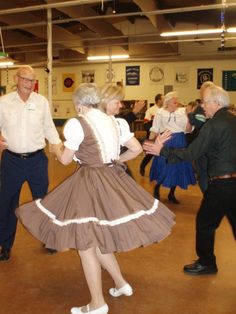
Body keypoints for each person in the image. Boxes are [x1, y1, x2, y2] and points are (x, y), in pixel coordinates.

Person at [16, 83, 175, 314]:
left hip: (90, 182)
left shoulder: (77, 124)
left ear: (80, 105)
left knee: (86, 244)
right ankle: (121, 284)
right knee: (97, 237)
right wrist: (115, 161)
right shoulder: (114, 121)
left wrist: (55, 148)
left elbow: (65, 160)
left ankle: (97, 304)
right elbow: (135, 149)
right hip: (112, 178)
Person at [143, 84, 236, 276]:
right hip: (232, 182)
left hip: (221, 184)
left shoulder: (214, 125)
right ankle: (206, 262)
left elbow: (192, 152)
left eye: (205, 102)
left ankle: (206, 263)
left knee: (205, 223)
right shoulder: (233, 120)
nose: (203, 106)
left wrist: (162, 150)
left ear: (216, 103)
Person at [0, 65, 61, 261]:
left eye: (32, 80)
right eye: (25, 79)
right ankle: (5, 245)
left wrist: (59, 149)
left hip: (36, 160)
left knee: (43, 202)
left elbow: (49, 128)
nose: (29, 83)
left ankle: (49, 239)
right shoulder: (3, 102)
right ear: (16, 79)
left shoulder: (41, 102)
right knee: (7, 203)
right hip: (11, 161)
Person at [148, 91, 196, 204]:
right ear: (168, 102)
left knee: (177, 168)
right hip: (165, 141)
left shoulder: (182, 112)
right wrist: (149, 144)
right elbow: (155, 129)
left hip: (180, 141)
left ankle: (171, 193)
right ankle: (157, 188)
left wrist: (189, 117)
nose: (177, 103)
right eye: (174, 101)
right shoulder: (160, 112)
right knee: (163, 166)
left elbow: (188, 130)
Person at [139, 93, 163, 176]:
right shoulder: (151, 110)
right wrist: (152, 132)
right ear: (159, 100)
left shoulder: (165, 110)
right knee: (149, 154)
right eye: (163, 99)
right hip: (152, 135)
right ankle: (142, 167)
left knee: (161, 153)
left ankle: (158, 172)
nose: (164, 100)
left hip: (162, 136)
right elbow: (145, 123)